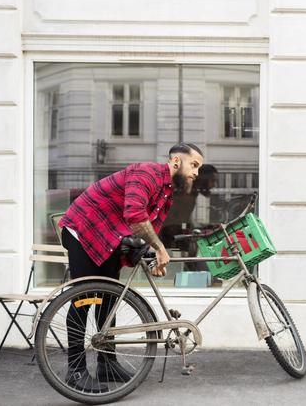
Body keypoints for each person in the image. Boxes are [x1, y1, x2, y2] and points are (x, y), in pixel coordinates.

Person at [58, 142, 203, 392]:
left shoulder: (166, 194)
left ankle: (107, 364)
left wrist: (153, 256)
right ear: (176, 161)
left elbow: (148, 231)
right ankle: (76, 371)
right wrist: (159, 248)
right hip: (85, 229)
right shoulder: (146, 173)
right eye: (194, 165)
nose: (196, 172)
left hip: (110, 238)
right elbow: (135, 216)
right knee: (83, 299)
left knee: (108, 300)